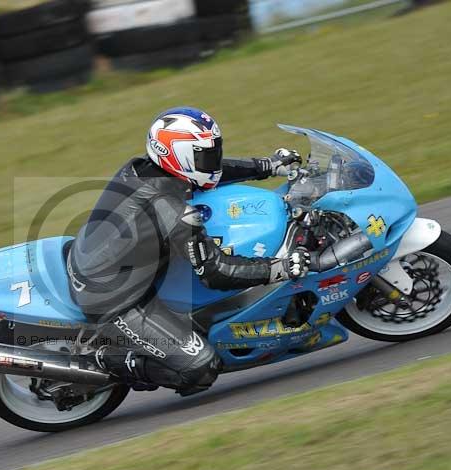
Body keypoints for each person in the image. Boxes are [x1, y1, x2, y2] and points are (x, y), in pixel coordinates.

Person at [67, 107, 310, 396]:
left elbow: (210, 174)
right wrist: (279, 268)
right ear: (177, 155)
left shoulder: (142, 167)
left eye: (212, 152)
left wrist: (266, 167)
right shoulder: (172, 211)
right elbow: (216, 272)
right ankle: (99, 359)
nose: (212, 161)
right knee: (200, 367)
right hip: (113, 297)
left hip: (102, 256)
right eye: (204, 155)